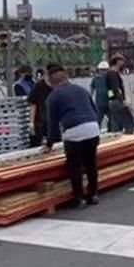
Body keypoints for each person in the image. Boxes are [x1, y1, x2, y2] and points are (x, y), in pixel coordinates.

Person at [42, 64, 100, 209]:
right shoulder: (82, 90)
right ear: (66, 77)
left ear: (50, 82)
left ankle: (78, 198)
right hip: (93, 127)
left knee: (75, 166)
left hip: (74, 130)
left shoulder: (53, 97)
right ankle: (93, 194)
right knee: (91, 163)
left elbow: (53, 124)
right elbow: (94, 110)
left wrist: (49, 144)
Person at [106, 55, 134, 134]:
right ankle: (128, 138)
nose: (123, 63)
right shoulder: (113, 74)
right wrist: (122, 100)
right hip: (118, 101)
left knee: (116, 123)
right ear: (118, 61)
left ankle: (116, 139)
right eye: (122, 61)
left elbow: (110, 90)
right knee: (129, 122)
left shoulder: (109, 73)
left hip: (112, 101)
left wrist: (111, 99)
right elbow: (115, 88)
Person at [27, 68, 53, 147]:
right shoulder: (38, 86)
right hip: (40, 121)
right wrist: (31, 122)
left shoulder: (57, 86)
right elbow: (33, 104)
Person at [90, 61, 111, 128]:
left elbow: (111, 89)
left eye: (105, 70)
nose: (103, 72)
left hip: (108, 102)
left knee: (111, 119)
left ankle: (111, 130)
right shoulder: (96, 79)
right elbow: (92, 87)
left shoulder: (109, 78)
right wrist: (91, 96)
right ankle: (97, 132)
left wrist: (111, 98)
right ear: (99, 70)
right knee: (98, 119)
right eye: (102, 70)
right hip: (99, 103)